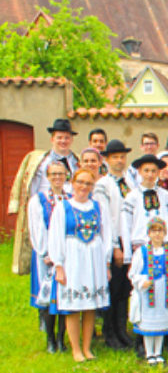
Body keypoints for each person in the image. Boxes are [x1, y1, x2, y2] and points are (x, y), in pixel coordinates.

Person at [48, 168, 111, 362]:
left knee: (90, 306)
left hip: (94, 259)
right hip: (73, 259)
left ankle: (87, 347)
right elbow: (55, 236)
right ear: (73, 183)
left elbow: (106, 234)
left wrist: (106, 263)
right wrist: (59, 265)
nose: (84, 187)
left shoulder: (99, 207)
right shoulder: (63, 207)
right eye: (80, 182)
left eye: (88, 183)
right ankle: (76, 349)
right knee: (74, 307)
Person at [9, 118, 78, 275]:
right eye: (59, 137)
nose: (63, 141)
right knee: (44, 257)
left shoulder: (76, 161)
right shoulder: (39, 160)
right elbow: (25, 182)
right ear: (52, 138)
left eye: (67, 137)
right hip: (45, 211)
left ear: (71, 140)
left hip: (68, 211)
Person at [93, 139, 136, 349]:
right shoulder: (103, 185)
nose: (119, 161)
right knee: (113, 288)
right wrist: (115, 247)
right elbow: (106, 218)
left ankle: (122, 330)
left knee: (125, 289)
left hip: (129, 239)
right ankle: (110, 333)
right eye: (115, 157)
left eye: (122, 157)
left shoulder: (129, 182)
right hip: (115, 240)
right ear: (107, 160)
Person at [129, 217, 168, 367]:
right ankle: (149, 353)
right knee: (149, 324)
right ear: (149, 233)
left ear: (165, 233)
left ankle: (158, 352)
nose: (157, 234)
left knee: (160, 324)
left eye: (160, 231)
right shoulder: (142, 252)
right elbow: (133, 273)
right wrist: (142, 281)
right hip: (147, 293)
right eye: (154, 231)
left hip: (163, 292)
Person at [28, 161, 71, 353]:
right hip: (47, 257)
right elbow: (37, 229)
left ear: (66, 175)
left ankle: (62, 339)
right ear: (47, 176)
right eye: (53, 174)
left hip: (67, 255)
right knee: (47, 297)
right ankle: (50, 340)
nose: (57, 177)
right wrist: (46, 252)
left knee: (63, 298)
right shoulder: (39, 200)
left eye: (61, 173)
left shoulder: (69, 199)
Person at [123, 155, 168, 261]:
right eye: (146, 171)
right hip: (140, 247)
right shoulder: (132, 197)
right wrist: (128, 255)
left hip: (162, 247)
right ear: (139, 172)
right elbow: (126, 225)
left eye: (153, 171)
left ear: (158, 172)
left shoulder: (165, 195)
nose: (150, 174)